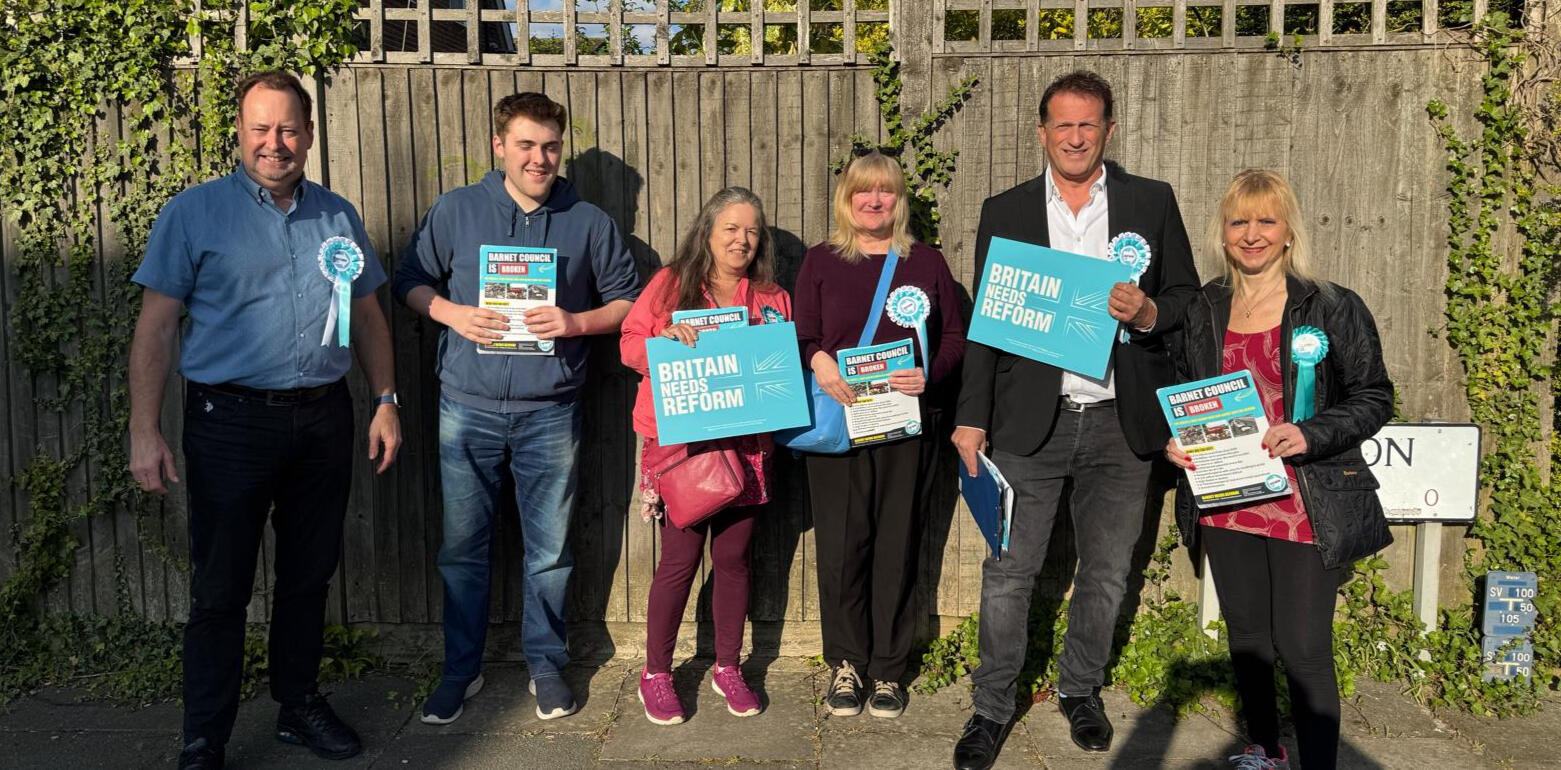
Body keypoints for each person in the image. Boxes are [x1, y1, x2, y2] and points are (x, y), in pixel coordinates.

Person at [128, 71, 402, 770]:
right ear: (240, 135)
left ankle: (298, 706)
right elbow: (157, 326)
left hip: (323, 420)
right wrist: (144, 428)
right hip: (228, 425)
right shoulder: (192, 214)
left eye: (287, 129)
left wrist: (386, 401)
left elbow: (368, 316)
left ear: (308, 136)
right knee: (219, 588)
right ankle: (203, 737)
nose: (273, 143)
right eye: (259, 128)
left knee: (309, 577)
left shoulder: (337, 217)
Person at [950, 70, 1200, 770]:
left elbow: (1182, 293)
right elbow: (986, 328)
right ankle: (991, 706)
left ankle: (1079, 689)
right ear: (1041, 132)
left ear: (1108, 131)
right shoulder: (1005, 210)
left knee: (1106, 573)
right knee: (1008, 573)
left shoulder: (1150, 202)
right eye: (1062, 124)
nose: (1074, 137)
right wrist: (970, 417)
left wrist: (1150, 314)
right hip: (1031, 420)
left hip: (1121, 422)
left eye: (1087, 125)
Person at [393, 92, 640, 726]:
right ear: (499, 145)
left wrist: (574, 320)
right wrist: (452, 313)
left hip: (550, 411)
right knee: (462, 549)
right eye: (526, 145)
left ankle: (546, 665)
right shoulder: (456, 210)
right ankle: (460, 671)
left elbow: (626, 304)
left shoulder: (589, 222)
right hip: (465, 408)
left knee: (549, 552)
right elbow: (410, 282)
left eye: (551, 146)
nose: (540, 158)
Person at [1164, 169, 1393, 770]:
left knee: (1303, 646)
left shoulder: (1332, 305)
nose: (1252, 233)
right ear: (1224, 231)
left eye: (1266, 220)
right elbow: (1186, 391)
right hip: (1227, 495)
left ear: (1289, 230)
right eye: (1240, 221)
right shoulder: (1204, 308)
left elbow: (1374, 396)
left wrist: (1310, 433)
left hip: (1304, 499)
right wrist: (1180, 443)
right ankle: (1264, 749)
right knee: (1249, 641)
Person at [795, 149, 966, 720]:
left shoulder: (927, 263)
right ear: (847, 199)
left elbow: (955, 341)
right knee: (843, 547)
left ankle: (890, 669)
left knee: (897, 543)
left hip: (905, 428)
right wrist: (818, 360)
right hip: (840, 423)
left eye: (886, 191)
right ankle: (846, 662)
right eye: (863, 191)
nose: (874, 201)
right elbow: (802, 332)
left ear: (899, 200)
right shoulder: (820, 261)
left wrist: (930, 373)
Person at [618, 187, 792, 725]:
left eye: (752, 231)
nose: (742, 240)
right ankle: (657, 674)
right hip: (684, 448)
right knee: (679, 562)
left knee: (736, 560)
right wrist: (665, 340)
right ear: (708, 232)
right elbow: (628, 344)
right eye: (731, 229)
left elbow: (780, 366)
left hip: (747, 446)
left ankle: (726, 666)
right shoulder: (671, 284)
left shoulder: (770, 296)